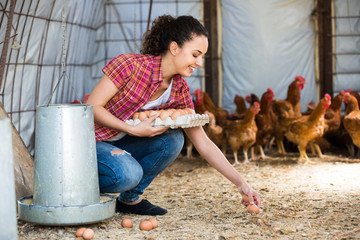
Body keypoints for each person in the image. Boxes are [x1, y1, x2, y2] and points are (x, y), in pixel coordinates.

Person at [86, 14, 261, 216]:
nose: (200, 63)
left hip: (124, 144)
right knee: (127, 175)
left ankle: (129, 199)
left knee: (173, 140)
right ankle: (80, 187)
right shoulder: (130, 66)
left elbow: (203, 142)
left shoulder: (179, 89)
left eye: (202, 56)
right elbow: (92, 107)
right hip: (93, 144)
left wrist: (242, 184)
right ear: (175, 48)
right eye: (196, 55)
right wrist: (131, 129)